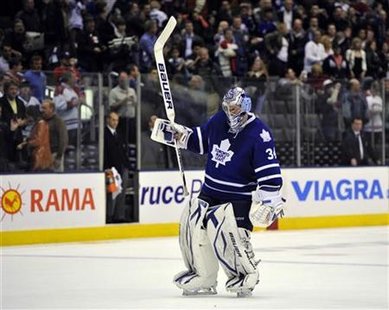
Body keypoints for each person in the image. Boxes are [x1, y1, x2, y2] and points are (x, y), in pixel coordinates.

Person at [153, 87, 285, 297]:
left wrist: (271, 202)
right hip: (210, 190)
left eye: (235, 108)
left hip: (238, 198)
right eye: (227, 108)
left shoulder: (260, 134)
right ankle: (203, 276)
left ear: (245, 107)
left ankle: (245, 275)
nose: (231, 113)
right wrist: (178, 135)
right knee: (193, 227)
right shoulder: (218, 121)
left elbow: (269, 172)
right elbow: (199, 140)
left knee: (230, 236)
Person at [104, 111, 130, 223]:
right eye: (113, 120)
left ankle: (119, 216)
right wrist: (106, 167)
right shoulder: (104, 134)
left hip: (121, 167)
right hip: (111, 169)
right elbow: (104, 152)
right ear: (108, 120)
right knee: (112, 194)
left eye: (117, 120)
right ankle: (109, 216)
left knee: (121, 193)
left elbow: (124, 151)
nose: (115, 122)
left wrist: (127, 166)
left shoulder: (119, 134)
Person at [108, 71, 137, 144]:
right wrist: (123, 101)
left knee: (131, 140)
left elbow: (136, 104)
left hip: (131, 120)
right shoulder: (114, 92)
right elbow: (111, 106)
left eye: (124, 79)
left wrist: (133, 101)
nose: (123, 81)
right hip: (120, 120)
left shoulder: (132, 91)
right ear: (119, 80)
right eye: (121, 79)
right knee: (121, 141)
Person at [40, 99, 68, 172]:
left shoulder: (58, 122)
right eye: (41, 108)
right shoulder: (41, 121)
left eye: (44, 108)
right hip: (43, 155)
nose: (42, 110)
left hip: (54, 154)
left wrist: (59, 157)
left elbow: (63, 139)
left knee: (56, 179)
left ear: (51, 109)